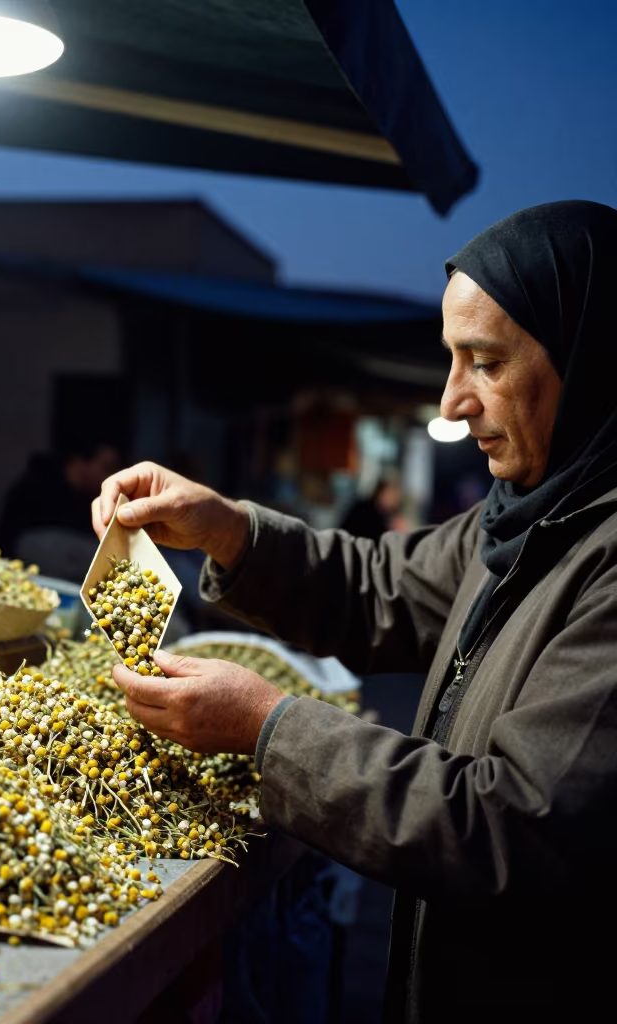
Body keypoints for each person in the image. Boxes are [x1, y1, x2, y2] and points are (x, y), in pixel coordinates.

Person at [91, 201, 617, 1023]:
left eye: (486, 363)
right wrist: (226, 528)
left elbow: (513, 830)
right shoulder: (522, 516)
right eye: (451, 360)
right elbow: (378, 586)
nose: (451, 403)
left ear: (593, 361)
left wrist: (270, 728)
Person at [0, 436, 122, 583]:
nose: (110, 477)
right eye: (106, 468)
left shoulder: (86, 498)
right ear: (80, 461)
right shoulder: (38, 487)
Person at [339, 476, 405, 540]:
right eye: (390, 494)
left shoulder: (386, 516)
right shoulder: (364, 509)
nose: (391, 499)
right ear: (380, 491)